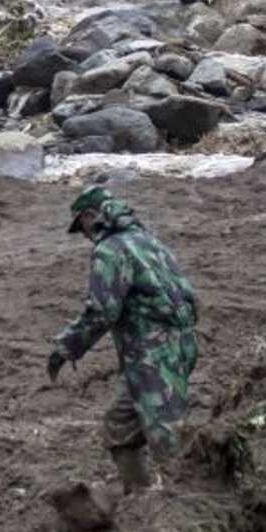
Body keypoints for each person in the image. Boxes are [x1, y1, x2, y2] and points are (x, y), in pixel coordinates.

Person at [47, 185, 200, 494]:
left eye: (82, 227)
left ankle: (187, 505)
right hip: (179, 346)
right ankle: (141, 498)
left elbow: (102, 311)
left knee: (168, 442)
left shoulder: (110, 251)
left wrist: (65, 348)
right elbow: (190, 296)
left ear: (91, 216)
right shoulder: (148, 241)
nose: (84, 235)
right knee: (119, 426)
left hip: (153, 357)